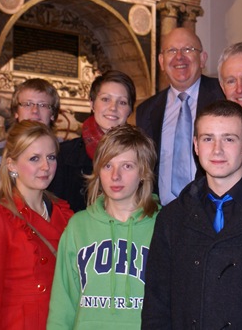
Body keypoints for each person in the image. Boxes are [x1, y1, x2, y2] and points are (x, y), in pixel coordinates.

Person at [142, 100, 242, 329]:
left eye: (229, 139)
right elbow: (157, 305)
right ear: (196, 145)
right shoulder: (173, 217)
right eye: (208, 139)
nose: (217, 150)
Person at [47, 124, 160, 329]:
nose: (115, 176)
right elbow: (62, 305)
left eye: (127, 166)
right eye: (108, 166)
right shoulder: (78, 226)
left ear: (144, 171)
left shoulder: (164, 225)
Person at [0, 120, 73, 329]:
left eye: (51, 157)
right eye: (35, 158)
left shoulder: (64, 213)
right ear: (11, 164)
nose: (46, 166)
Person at [136, 27, 225, 205]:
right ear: (161, 61)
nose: (179, 57)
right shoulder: (146, 110)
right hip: (161, 211)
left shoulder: (224, 95)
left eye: (188, 49)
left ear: (202, 59)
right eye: (171, 50)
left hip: (215, 208)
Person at [48, 70, 136, 212]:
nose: (113, 108)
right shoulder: (64, 155)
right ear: (92, 103)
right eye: (105, 99)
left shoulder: (141, 155)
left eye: (122, 102)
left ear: (130, 110)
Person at [0, 77, 61, 163]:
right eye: (27, 104)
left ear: (53, 114)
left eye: (42, 105)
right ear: (16, 112)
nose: (35, 110)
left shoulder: (67, 153)